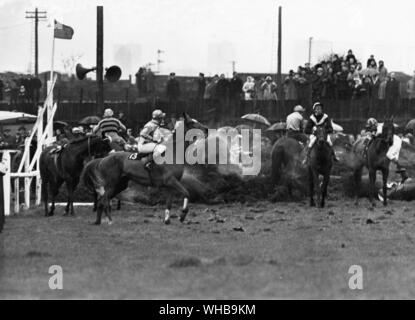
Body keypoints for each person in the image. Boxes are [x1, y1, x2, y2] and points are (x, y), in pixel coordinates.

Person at [363, 118, 408, 183]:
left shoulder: (379, 127)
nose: (369, 129)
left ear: (374, 124)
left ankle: (403, 174)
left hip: (395, 141)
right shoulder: (380, 126)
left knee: (390, 155)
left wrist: (372, 136)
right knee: (393, 157)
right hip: (394, 140)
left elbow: (377, 135)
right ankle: (403, 173)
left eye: (370, 127)